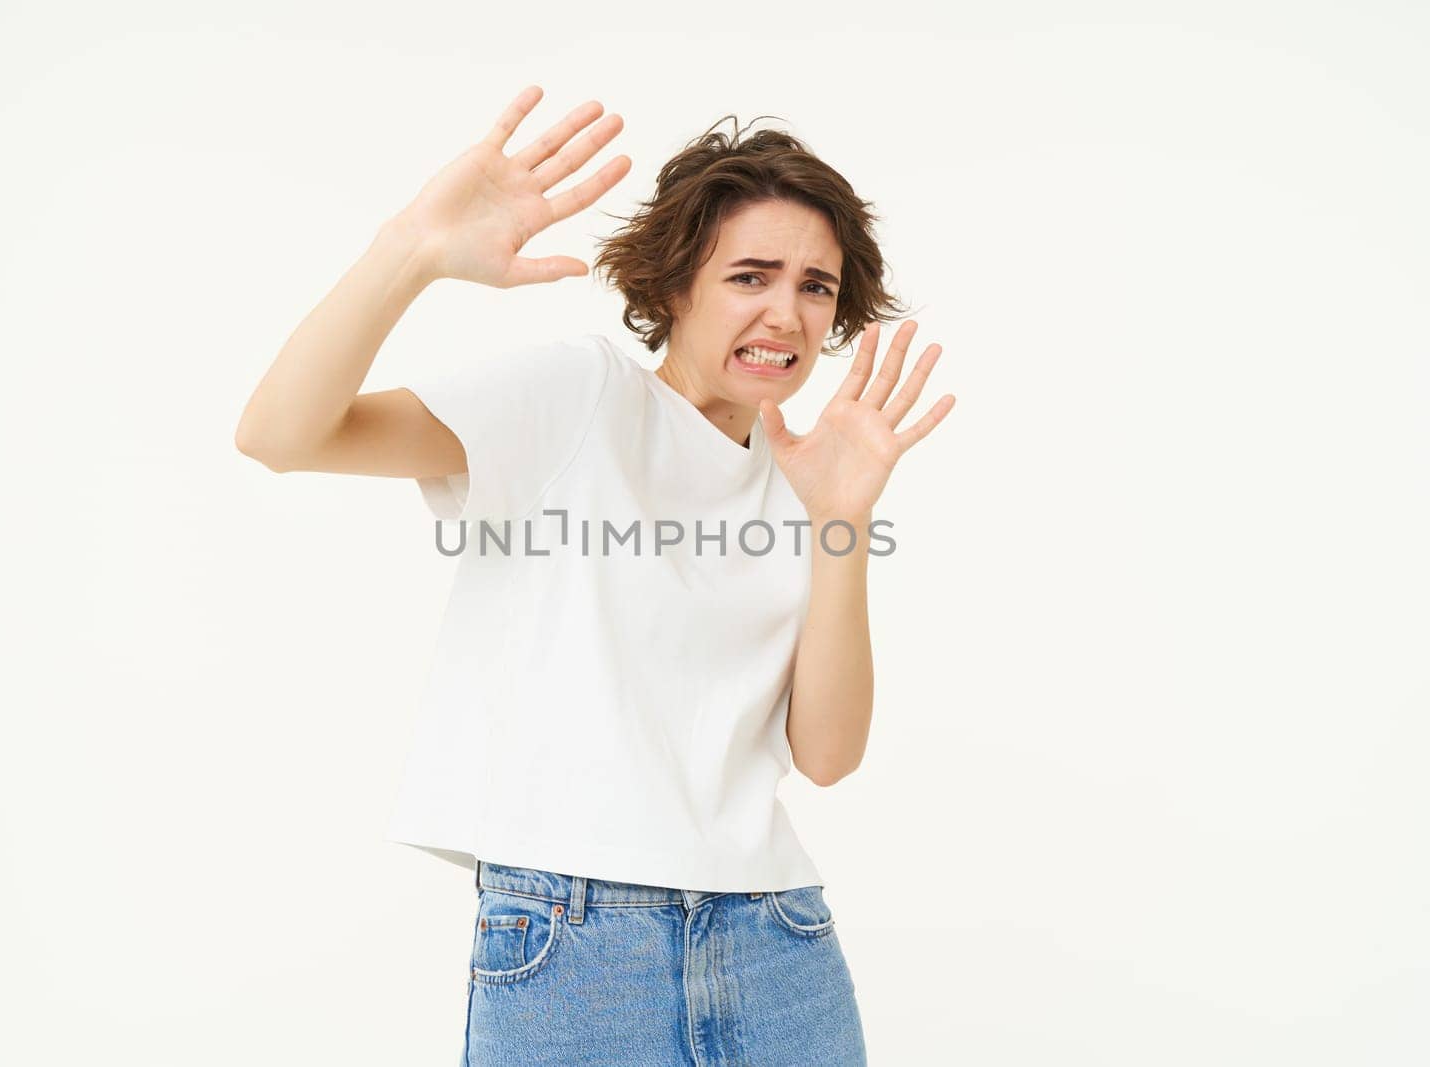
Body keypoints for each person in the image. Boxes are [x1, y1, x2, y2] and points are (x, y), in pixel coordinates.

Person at [235, 85, 955, 1066]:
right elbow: (282, 434)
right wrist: (409, 249)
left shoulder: (806, 476)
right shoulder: (579, 397)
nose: (784, 313)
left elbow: (825, 754)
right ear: (672, 288)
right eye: (750, 275)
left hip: (774, 934)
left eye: (815, 287)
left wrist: (840, 524)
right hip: (573, 937)